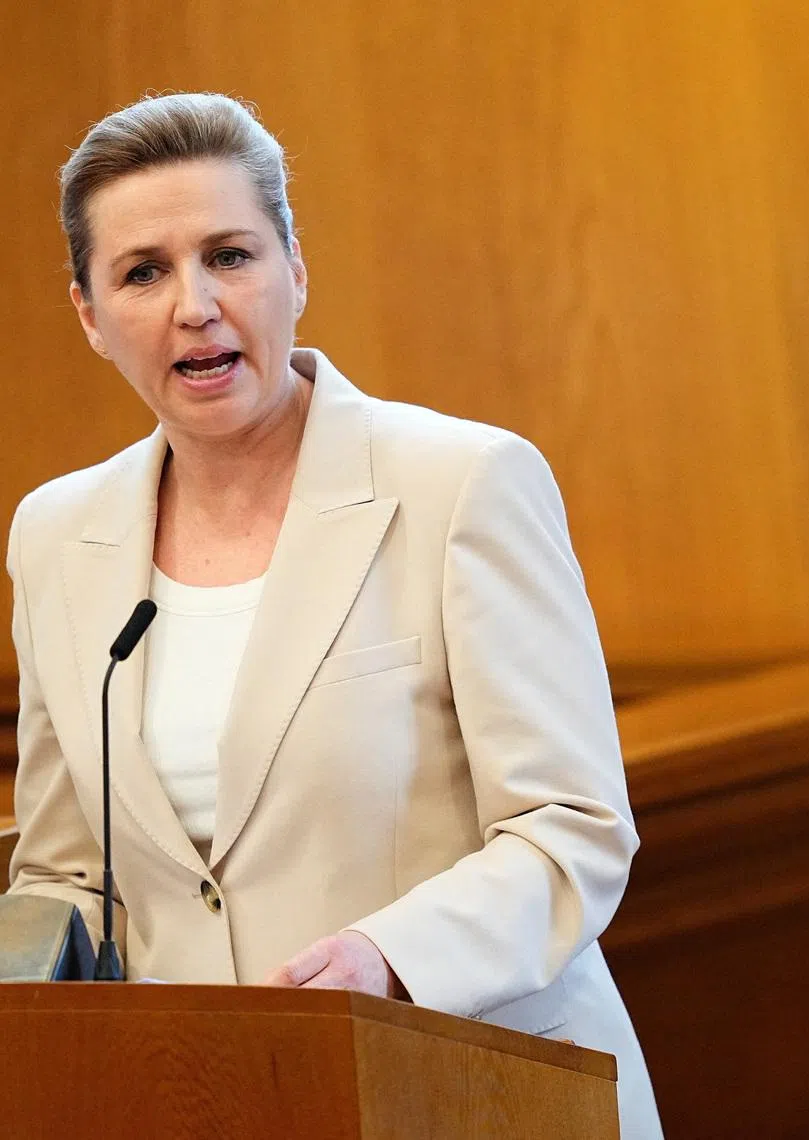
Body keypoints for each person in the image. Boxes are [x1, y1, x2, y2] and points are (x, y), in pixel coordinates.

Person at [5, 92, 662, 1138]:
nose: (196, 305)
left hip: (467, 1094)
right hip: (206, 1106)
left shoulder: (463, 484)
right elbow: (65, 873)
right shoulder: (54, 537)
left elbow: (569, 832)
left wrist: (388, 958)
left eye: (230, 255)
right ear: (89, 314)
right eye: (143, 271)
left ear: (294, 269)